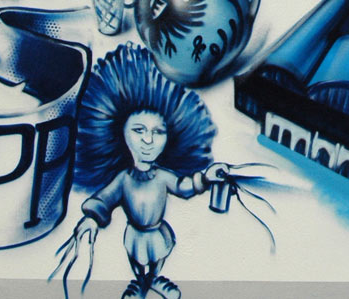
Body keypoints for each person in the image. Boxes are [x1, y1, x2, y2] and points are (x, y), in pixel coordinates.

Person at [50, 45, 272, 299]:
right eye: (139, 130)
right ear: (120, 133)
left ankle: (153, 279)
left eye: (158, 132)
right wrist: (91, 219)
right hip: (135, 233)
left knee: (157, 256)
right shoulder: (124, 179)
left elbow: (184, 186)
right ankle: (140, 282)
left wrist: (206, 177)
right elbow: (105, 199)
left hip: (157, 231)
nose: (148, 140)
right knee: (137, 259)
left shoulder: (163, 176)